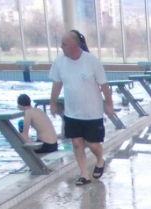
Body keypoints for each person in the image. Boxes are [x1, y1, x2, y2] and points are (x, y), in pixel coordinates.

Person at [49, 30, 115, 185]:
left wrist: (109, 105)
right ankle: (84, 175)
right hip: (72, 112)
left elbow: (104, 85)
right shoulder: (59, 62)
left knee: (93, 144)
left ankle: (100, 159)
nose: (61, 47)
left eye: (64, 44)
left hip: (93, 112)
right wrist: (52, 103)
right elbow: (57, 84)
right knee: (77, 144)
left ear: (74, 46)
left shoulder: (91, 61)